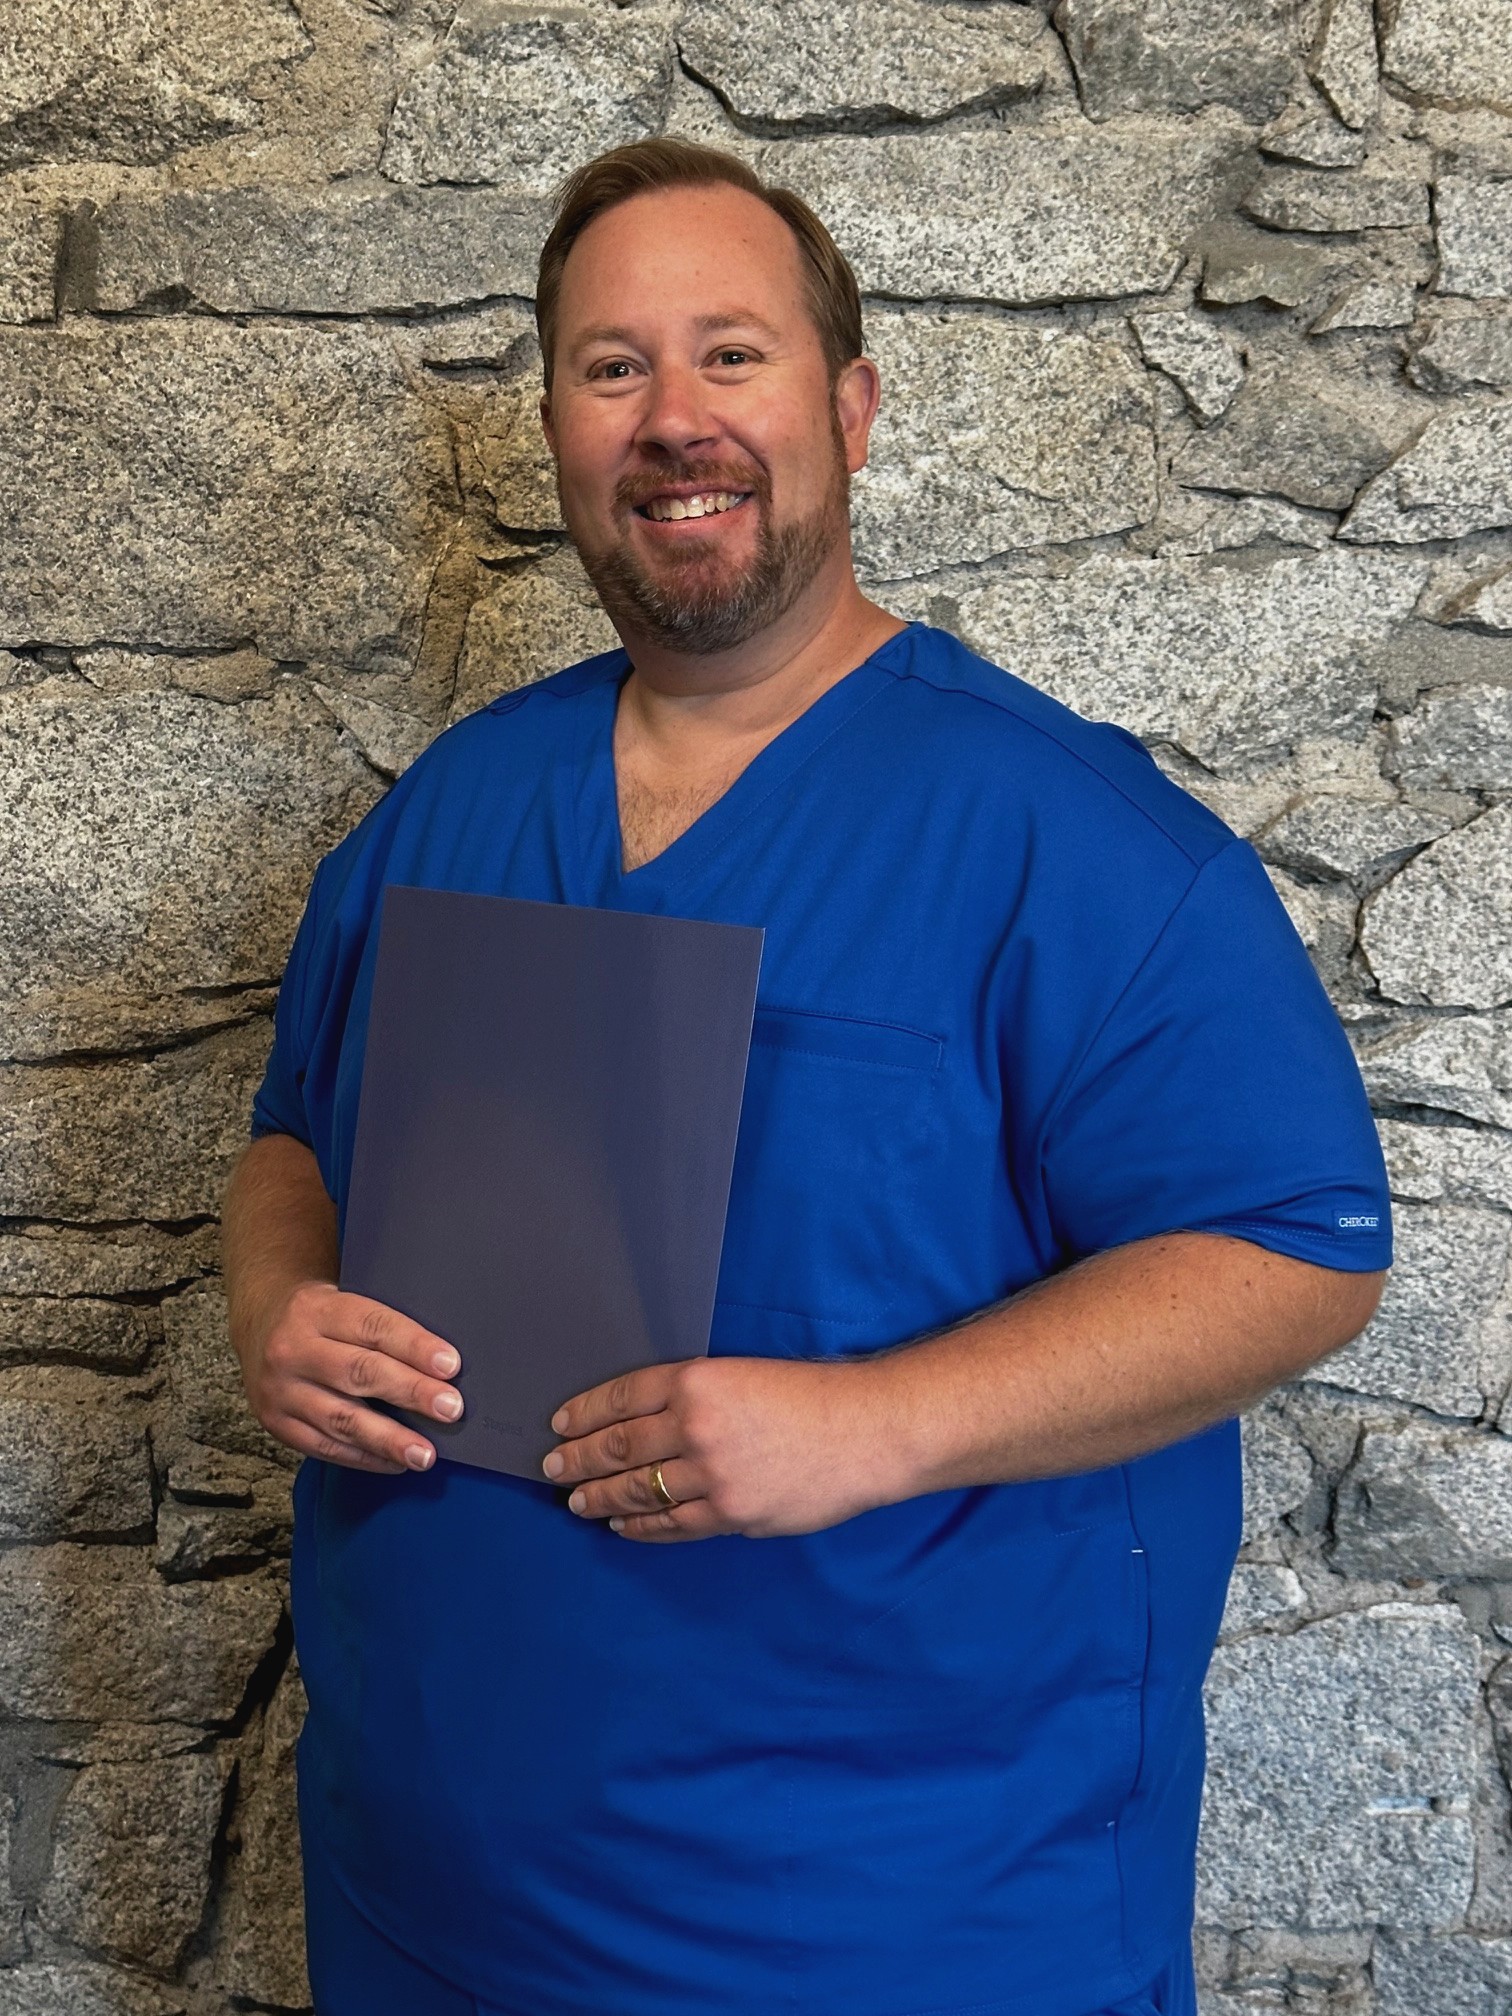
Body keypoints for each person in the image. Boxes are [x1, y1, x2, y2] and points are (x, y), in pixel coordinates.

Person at [220, 137, 1391, 2016]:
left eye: (732, 354)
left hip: (887, 1926)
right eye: (612, 368)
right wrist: (277, 1303)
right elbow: (297, 1132)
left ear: (849, 408)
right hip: (422, 1902)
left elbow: (1296, 1251)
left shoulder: (1070, 841)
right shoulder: (453, 804)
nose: (673, 418)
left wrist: (875, 1426)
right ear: (556, 427)